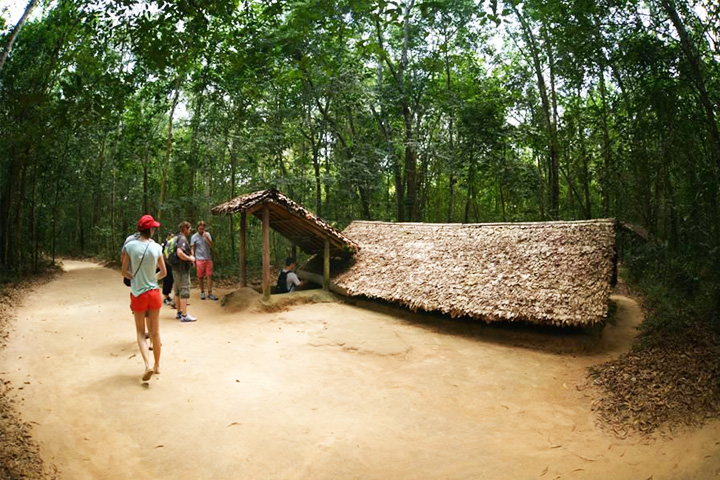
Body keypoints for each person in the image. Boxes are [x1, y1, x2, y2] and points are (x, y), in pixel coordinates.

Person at [121, 214, 166, 381]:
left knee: (141, 333)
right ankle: (157, 366)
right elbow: (164, 272)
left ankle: (147, 365)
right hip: (154, 293)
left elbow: (124, 271)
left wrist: (135, 277)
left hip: (138, 294)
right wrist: (153, 278)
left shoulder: (130, 246)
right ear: (151, 230)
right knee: (155, 332)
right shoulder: (156, 248)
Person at [173, 221, 197, 322]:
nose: (190, 231)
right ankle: (184, 315)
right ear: (185, 228)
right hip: (182, 270)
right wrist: (190, 258)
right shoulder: (182, 238)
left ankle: (179, 312)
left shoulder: (176, 237)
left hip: (175, 268)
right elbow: (179, 253)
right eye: (189, 228)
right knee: (184, 291)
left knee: (177, 291)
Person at [191, 220, 218, 300]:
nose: (201, 230)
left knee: (209, 275)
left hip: (208, 258)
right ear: (197, 228)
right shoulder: (194, 237)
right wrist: (193, 258)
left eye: (203, 228)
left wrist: (207, 238)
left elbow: (212, 246)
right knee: (200, 277)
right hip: (199, 259)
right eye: (200, 228)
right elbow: (193, 248)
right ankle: (202, 292)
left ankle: (210, 293)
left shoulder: (207, 234)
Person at [160, 231, 176, 308]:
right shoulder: (164, 244)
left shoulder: (173, 243)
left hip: (171, 264)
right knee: (167, 280)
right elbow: (161, 254)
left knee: (171, 280)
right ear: (168, 236)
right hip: (165, 264)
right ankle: (166, 297)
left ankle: (170, 296)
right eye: (171, 236)